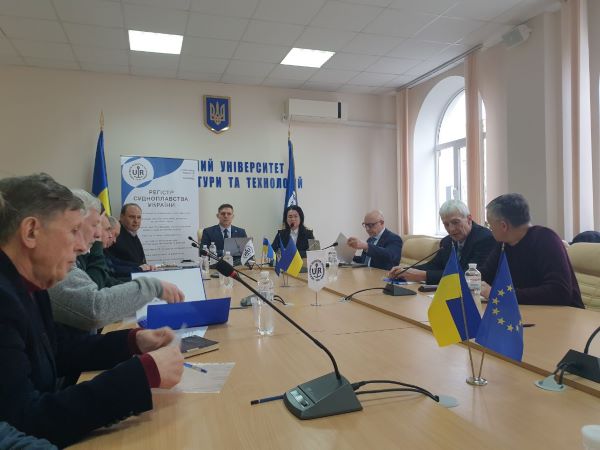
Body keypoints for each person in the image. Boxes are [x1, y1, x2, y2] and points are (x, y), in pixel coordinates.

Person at [0, 173, 184, 448]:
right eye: (74, 230)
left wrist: (133, 342)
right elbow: (27, 420)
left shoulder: (30, 285)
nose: (83, 245)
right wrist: (140, 376)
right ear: (30, 232)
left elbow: (57, 352)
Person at [48, 189, 185, 332]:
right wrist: (151, 287)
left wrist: (133, 339)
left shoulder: (70, 259)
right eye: (95, 225)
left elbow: (76, 341)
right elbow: (95, 307)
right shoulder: (55, 265)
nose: (99, 234)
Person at [479, 193, 584, 308]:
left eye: (490, 225)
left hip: (564, 314)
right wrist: (472, 281)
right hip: (527, 311)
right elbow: (485, 275)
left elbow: (559, 292)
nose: (489, 229)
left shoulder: (546, 240)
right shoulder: (504, 244)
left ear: (503, 226)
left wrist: (502, 295)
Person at [389, 199, 495, 284]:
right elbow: (434, 265)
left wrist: (423, 276)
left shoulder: (485, 238)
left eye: (455, 222)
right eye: (446, 224)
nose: (451, 229)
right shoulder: (447, 241)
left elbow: (469, 275)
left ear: (469, 219)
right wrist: (405, 270)